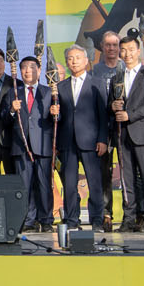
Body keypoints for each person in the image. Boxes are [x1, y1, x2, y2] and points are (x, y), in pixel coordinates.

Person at [53, 45, 109, 229]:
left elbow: (103, 114)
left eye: (77, 57)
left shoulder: (97, 83)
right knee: (69, 184)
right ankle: (71, 219)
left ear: (86, 61)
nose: (74, 61)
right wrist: (55, 113)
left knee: (94, 182)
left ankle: (97, 219)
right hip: (67, 142)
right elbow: (59, 118)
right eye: (70, 58)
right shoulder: (60, 86)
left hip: (91, 141)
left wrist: (102, 139)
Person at [111, 34, 144, 231]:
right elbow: (110, 103)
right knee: (127, 179)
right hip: (122, 135)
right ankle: (129, 218)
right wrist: (113, 106)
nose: (127, 54)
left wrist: (130, 115)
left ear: (138, 51)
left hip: (143, 133)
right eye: (123, 50)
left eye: (131, 50)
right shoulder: (117, 77)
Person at [4, 56, 55, 231]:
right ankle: (27, 220)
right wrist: (12, 110)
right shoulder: (13, 93)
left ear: (39, 71)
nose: (28, 71)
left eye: (32, 67)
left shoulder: (48, 92)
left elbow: (58, 119)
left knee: (44, 185)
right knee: (24, 186)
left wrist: (56, 113)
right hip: (22, 146)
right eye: (24, 68)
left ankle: (46, 220)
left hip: (43, 145)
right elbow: (4, 120)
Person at [88, 30, 122, 230]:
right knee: (104, 172)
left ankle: (134, 214)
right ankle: (106, 213)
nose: (111, 48)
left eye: (115, 45)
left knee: (128, 171)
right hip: (102, 128)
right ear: (101, 46)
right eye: (107, 45)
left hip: (123, 126)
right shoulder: (94, 71)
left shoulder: (125, 68)